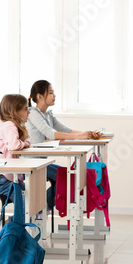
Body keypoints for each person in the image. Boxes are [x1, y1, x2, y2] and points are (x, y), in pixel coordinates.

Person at [26, 80, 103, 210]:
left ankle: (41, 209)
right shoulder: (33, 113)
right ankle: (38, 209)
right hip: (32, 162)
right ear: (39, 96)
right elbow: (51, 134)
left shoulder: (48, 114)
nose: (54, 95)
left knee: (68, 177)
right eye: (50, 93)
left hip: (42, 161)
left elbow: (66, 130)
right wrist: (81, 136)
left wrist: (88, 133)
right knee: (67, 178)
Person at [0, 94, 31, 203]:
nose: (29, 112)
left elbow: (21, 143)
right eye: (26, 109)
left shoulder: (10, 126)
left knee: (33, 199)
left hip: (9, 178)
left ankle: (12, 220)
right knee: (26, 204)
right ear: (15, 111)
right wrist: (23, 143)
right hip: (2, 180)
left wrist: (23, 142)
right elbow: (13, 145)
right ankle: (18, 220)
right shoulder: (9, 125)